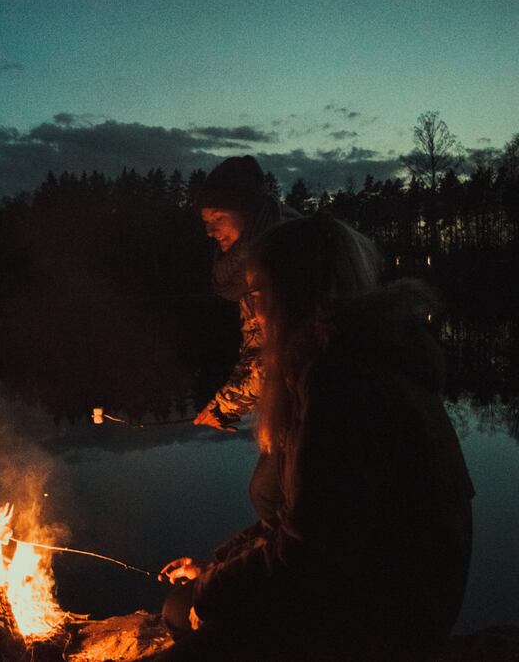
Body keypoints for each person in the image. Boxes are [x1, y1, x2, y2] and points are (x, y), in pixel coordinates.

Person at [155, 217, 475, 660]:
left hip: (389, 612)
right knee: (180, 608)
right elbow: (304, 520)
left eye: (257, 293)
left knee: (190, 620)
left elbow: (311, 554)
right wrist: (215, 569)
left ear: (294, 293)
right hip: (366, 586)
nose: (252, 312)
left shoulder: (342, 380)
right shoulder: (337, 363)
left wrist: (214, 588)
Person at [193, 155, 295, 434]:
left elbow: (283, 354)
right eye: (206, 221)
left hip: (323, 405)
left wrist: (224, 407)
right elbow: (256, 348)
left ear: (247, 212)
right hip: (295, 406)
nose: (210, 231)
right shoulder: (250, 265)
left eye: (218, 218)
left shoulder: (286, 257)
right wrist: (220, 405)